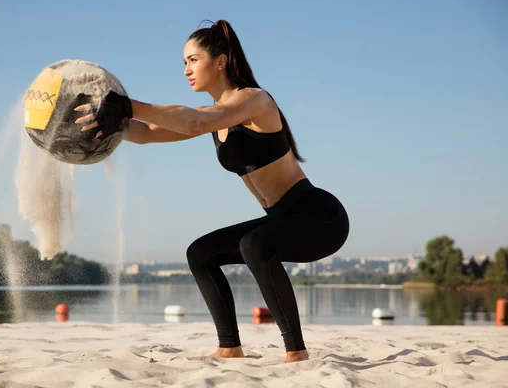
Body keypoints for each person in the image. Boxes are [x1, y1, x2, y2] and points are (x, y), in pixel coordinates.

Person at [74, 19, 350, 363]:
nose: (186, 70)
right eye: (184, 63)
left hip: (320, 217)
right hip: (282, 219)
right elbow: (146, 133)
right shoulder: (212, 116)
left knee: (255, 244)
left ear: (220, 61)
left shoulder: (254, 101)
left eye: (193, 60)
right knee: (200, 253)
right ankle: (229, 346)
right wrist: (109, 120)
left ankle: (296, 351)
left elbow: (194, 121)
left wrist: (126, 104)